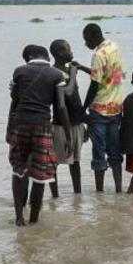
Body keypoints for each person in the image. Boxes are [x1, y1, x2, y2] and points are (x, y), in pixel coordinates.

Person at [7, 45, 71, 226]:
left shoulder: (19, 72)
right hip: (42, 126)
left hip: (20, 124)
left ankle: (19, 217)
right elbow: (60, 106)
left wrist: (9, 129)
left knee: (18, 170)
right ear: (45, 56)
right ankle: (34, 220)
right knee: (40, 175)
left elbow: (14, 102)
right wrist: (67, 135)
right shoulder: (55, 75)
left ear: (29, 57)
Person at [82, 23, 124, 193]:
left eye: (86, 40)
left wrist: (83, 107)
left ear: (93, 36)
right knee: (115, 151)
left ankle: (99, 192)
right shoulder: (114, 47)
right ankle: (118, 189)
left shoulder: (98, 55)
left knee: (98, 151)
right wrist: (82, 67)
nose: (86, 44)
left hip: (99, 110)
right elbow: (107, 75)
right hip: (116, 108)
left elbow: (94, 85)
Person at [49, 40, 87, 195]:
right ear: (59, 53)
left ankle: (77, 196)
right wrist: (72, 74)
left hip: (76, 123)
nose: (71, 52)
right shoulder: (56, 73)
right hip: (61, 125)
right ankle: (55, 196)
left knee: (75, 162)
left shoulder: (67, 70)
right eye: (67, 49)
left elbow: (76, 100)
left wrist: (84, 123)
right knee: (55, 163)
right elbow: (67, 95)